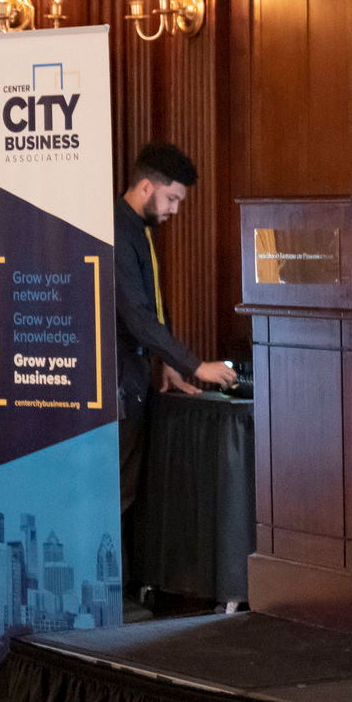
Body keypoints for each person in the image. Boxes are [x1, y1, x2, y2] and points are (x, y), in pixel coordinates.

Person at [115, 142, 236, 518]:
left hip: (134, 376)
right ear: (146, 187)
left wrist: (167, 362)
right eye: (171, 199)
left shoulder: (137, 228)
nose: (175, 210)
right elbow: (136, 315)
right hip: (115, 383)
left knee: (126, 492)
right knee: (117, 495)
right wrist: (195, 365)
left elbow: (150, 304)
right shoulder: (117, 231)